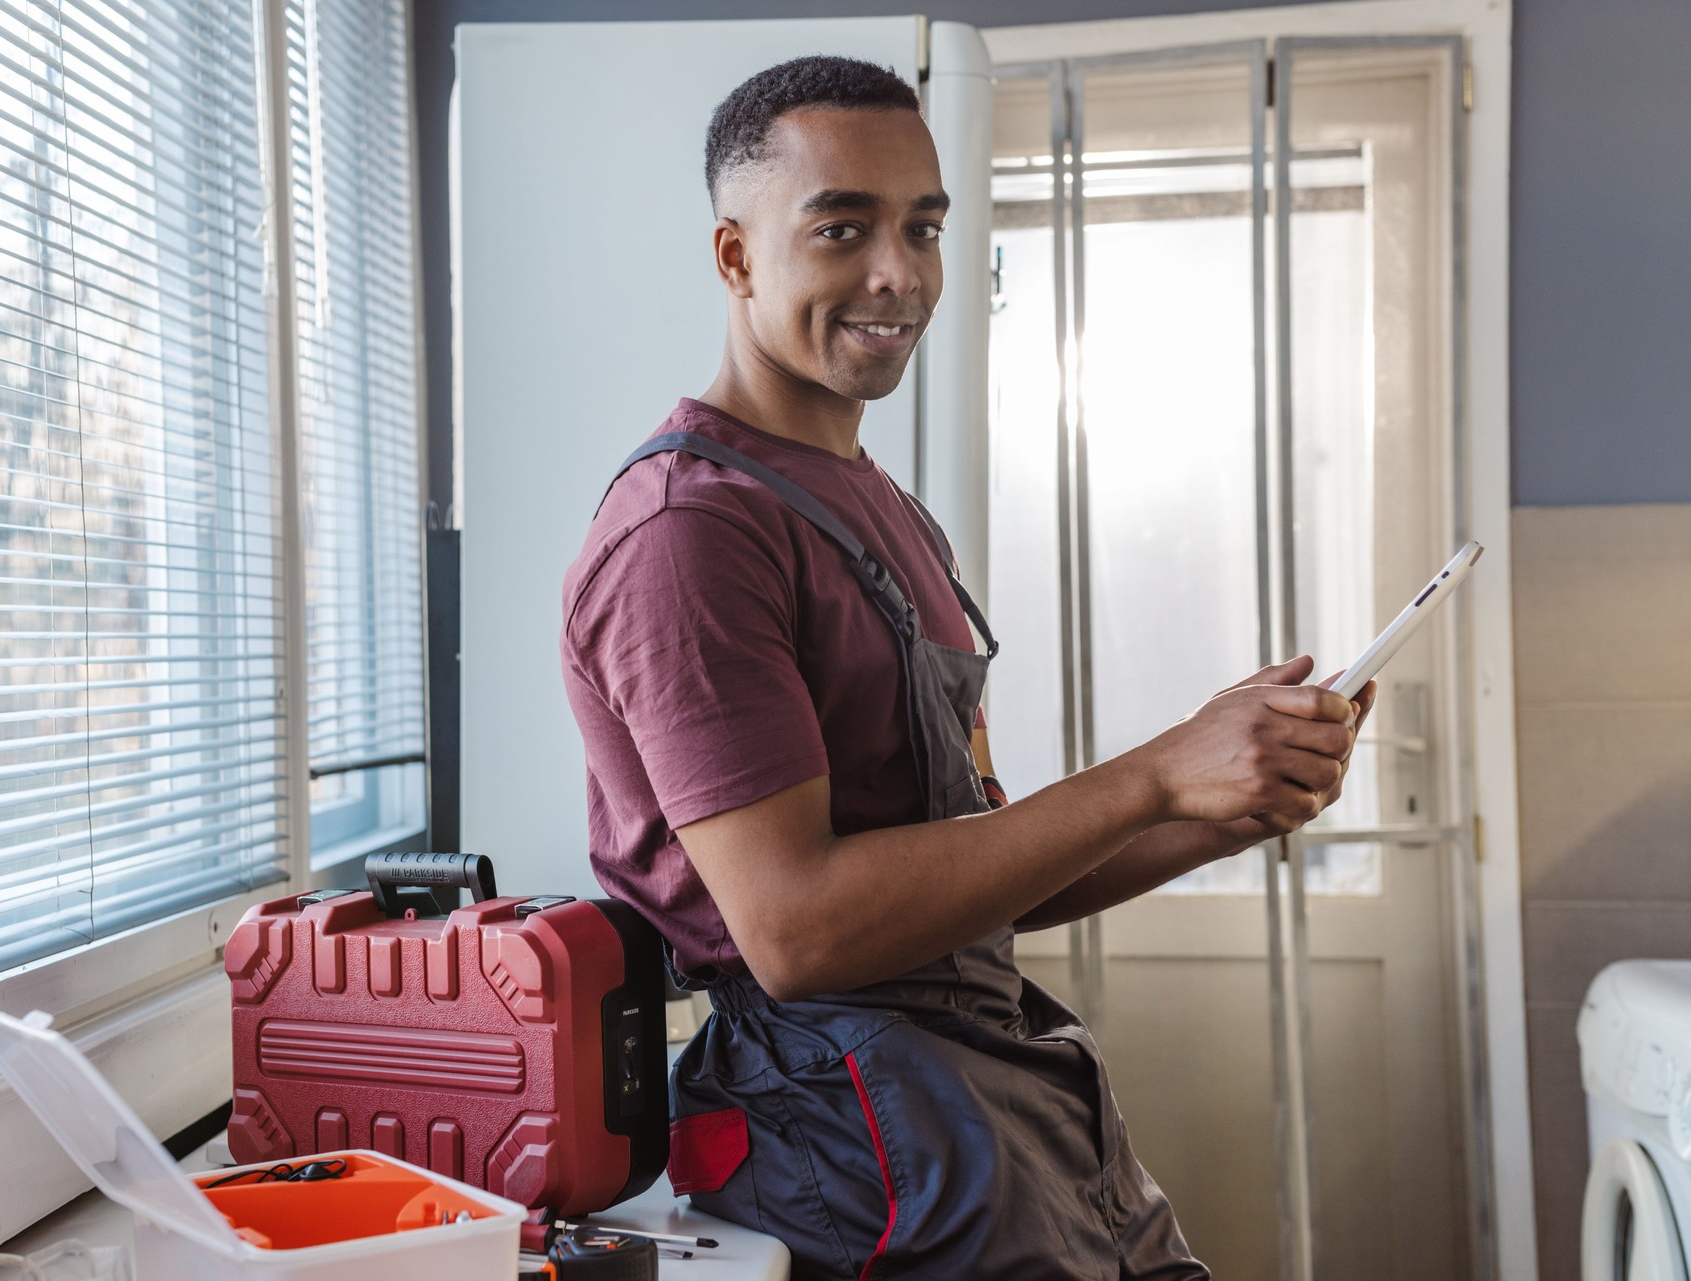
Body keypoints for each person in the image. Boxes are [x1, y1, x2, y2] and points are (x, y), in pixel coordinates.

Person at [559, 55, 1373, 1280]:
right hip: (854, 1138)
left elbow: (973, 871)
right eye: (843, 229)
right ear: (735, 256)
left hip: (1002, 1101)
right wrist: (1155, 775)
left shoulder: (879, 506)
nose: (899, 273)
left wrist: (1223, 805)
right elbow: (798, 930)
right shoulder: (692, 532)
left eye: (923, 228)